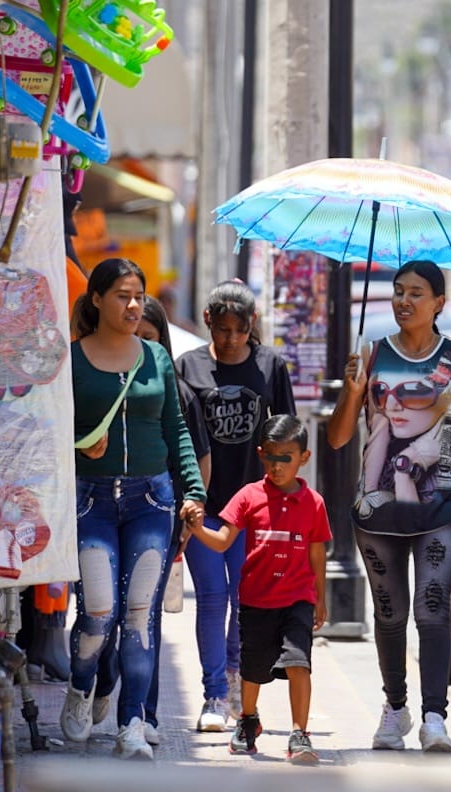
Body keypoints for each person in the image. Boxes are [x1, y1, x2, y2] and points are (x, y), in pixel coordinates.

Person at [327, 259, 451, 753]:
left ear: (439, 304)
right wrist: (352, 393)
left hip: (441, 509)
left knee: (430, 609)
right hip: (377, 511)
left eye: (416, 293)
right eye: (398, 291)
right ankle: (395, 708)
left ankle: (433, 717)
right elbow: (340, 437)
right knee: (389, 616)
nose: (404, 300)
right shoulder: (370, 356)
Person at [62, 258, 206, 761]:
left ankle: (133, 721)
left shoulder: (155, 359)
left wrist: (193, 492)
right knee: (99, 613)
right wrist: (82, 449)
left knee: (140, 618)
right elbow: (53, 432)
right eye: (121, 295)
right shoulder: (72, 359)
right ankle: (82, 687)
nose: (132, 305)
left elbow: (177, 429)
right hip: (90, 500)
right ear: (97, 299)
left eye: (138, 296)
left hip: (151, 500)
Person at [176, 280, 297, 731]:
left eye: (239, 331)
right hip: (203, 504)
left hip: (254, 508)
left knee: (245, 600)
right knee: (212, 598)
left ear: (252, 327)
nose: (230, 339)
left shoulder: (270, 366)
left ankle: (231, 677)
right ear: (208, 321)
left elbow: (288, 434)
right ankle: (212, 694)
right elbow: (178, 433)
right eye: (222, 329)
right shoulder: (187, 366)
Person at [187, 415, 329, 762]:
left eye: (287, 458)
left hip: (297, 599)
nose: (278, 466)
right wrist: (196, 527)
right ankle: (248, 721)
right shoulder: (249, 496)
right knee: (253, 669)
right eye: (271, 457)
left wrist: (320, 599)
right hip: (255, 600)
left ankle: (300, 733)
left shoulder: (314, 504)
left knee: (299, 663)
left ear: (303, 458)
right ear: (261, 454)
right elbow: (222, 540)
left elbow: (317, 553)